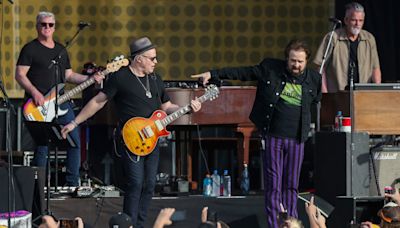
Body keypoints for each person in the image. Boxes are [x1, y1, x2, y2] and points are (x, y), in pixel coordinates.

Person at [61, 36, 202, 228]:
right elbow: (97, 102)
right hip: (130, 139)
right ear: (139, 59)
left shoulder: (156, 79)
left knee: (149, 184)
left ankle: (141, 225)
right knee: (135, 183)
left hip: (152, 139)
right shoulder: (120, 77)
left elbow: (167, 106)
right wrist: (74, 122)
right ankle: (129, 223)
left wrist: (187, 108)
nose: (156, 62)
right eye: (152, 58)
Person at [192, 39, 322, 228]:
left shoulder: (313, 79)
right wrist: (213, 74)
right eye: (293, 60)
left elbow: (316, 100)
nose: (296, 65)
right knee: (273, 185)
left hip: (297, 139)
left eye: (300, 61)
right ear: (287, 58)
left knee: (292, 185)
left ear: (306, 61)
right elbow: (243, 72)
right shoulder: (270, 68)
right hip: (274, 136)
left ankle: (292, 225)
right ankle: (275, 225)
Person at [15, 11, 103, 186]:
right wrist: (35, 92)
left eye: (50, 25)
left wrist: (90, 79)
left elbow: (69, 75)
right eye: (43, 24)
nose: (47, 28)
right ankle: (38, 186)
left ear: (54, 27)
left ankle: (72, 184)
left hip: (61, 103)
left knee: (74, 142)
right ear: (37, 26)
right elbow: (20, 74)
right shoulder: (30, 49)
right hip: (38, 105)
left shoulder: (60, 50)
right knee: (43, 146)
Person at [313, 2, 381, 93]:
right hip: (337, 94)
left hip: (362, 94)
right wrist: (325, 92)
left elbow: (375, 68)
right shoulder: (333, 37)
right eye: (354, 20)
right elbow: (320, 66)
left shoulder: (369, 38)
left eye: (361, 20)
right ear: (346, 20)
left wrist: (378, 91)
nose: (357, 24)